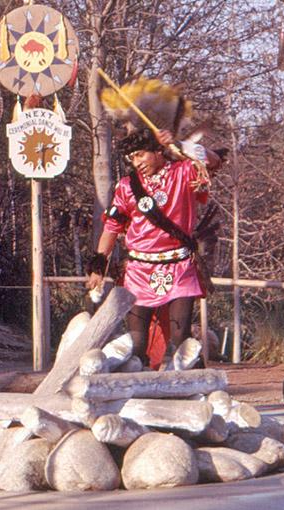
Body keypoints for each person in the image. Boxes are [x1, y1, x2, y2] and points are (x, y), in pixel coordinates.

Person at [87, 128, 222, 368]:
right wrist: (98, 265)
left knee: (181, 339)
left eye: (141, 155)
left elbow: (213, 160)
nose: (137, 163)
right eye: (132, 158)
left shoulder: (183, 172)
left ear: (158, 150)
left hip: (179, 267)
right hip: (139, 271)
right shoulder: (128, 186)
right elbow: (111, 227)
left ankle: (200, 393)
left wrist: (178, 143)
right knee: (136, 343)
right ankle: (136, 400)